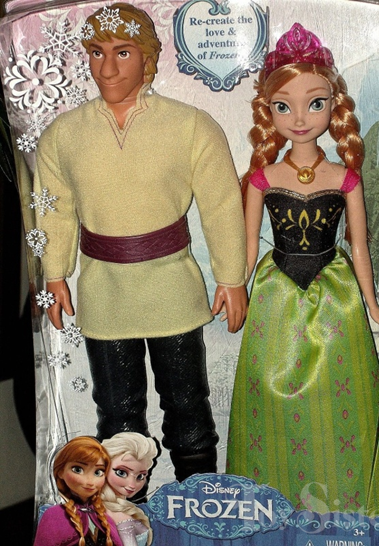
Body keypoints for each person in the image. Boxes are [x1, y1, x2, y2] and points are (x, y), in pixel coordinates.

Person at [33, 3, 247, 481]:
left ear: (148, 57)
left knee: (187, 403)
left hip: (171, 285)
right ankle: (121, 506)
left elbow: (220, 204)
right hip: (104, 290)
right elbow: (54, 207)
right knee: (116, 411)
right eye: (97, 53)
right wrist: (55, 273)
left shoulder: (190, 125)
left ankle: (198, 493)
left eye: (123, 52)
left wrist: (231, 277)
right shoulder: (64, 134)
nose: (107, 69)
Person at [226, 23, 379, 516]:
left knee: (343, 395)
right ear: (268, 111)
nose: (300, 118)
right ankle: (269, 506)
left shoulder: (344, 177)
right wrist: (233, 285)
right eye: (284, 106)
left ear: (333, 107)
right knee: (269, 390)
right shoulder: (263, 177)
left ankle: (351, 508)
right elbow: (247, 243)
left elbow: (358, 245)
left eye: (315, 103)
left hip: (336, 293)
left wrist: (372, 304)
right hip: (275, 292)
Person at [33, 436, 123, 546]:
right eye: (78, 469)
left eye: (98, 472)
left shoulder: (105, 519)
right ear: (61, 471)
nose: (90, 481)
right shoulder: (54, 516)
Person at [101, 432, 158, 546]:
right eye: (121, 473)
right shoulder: (122, 519)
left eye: (140, 476)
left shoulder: (96, 507)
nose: (132, 485)